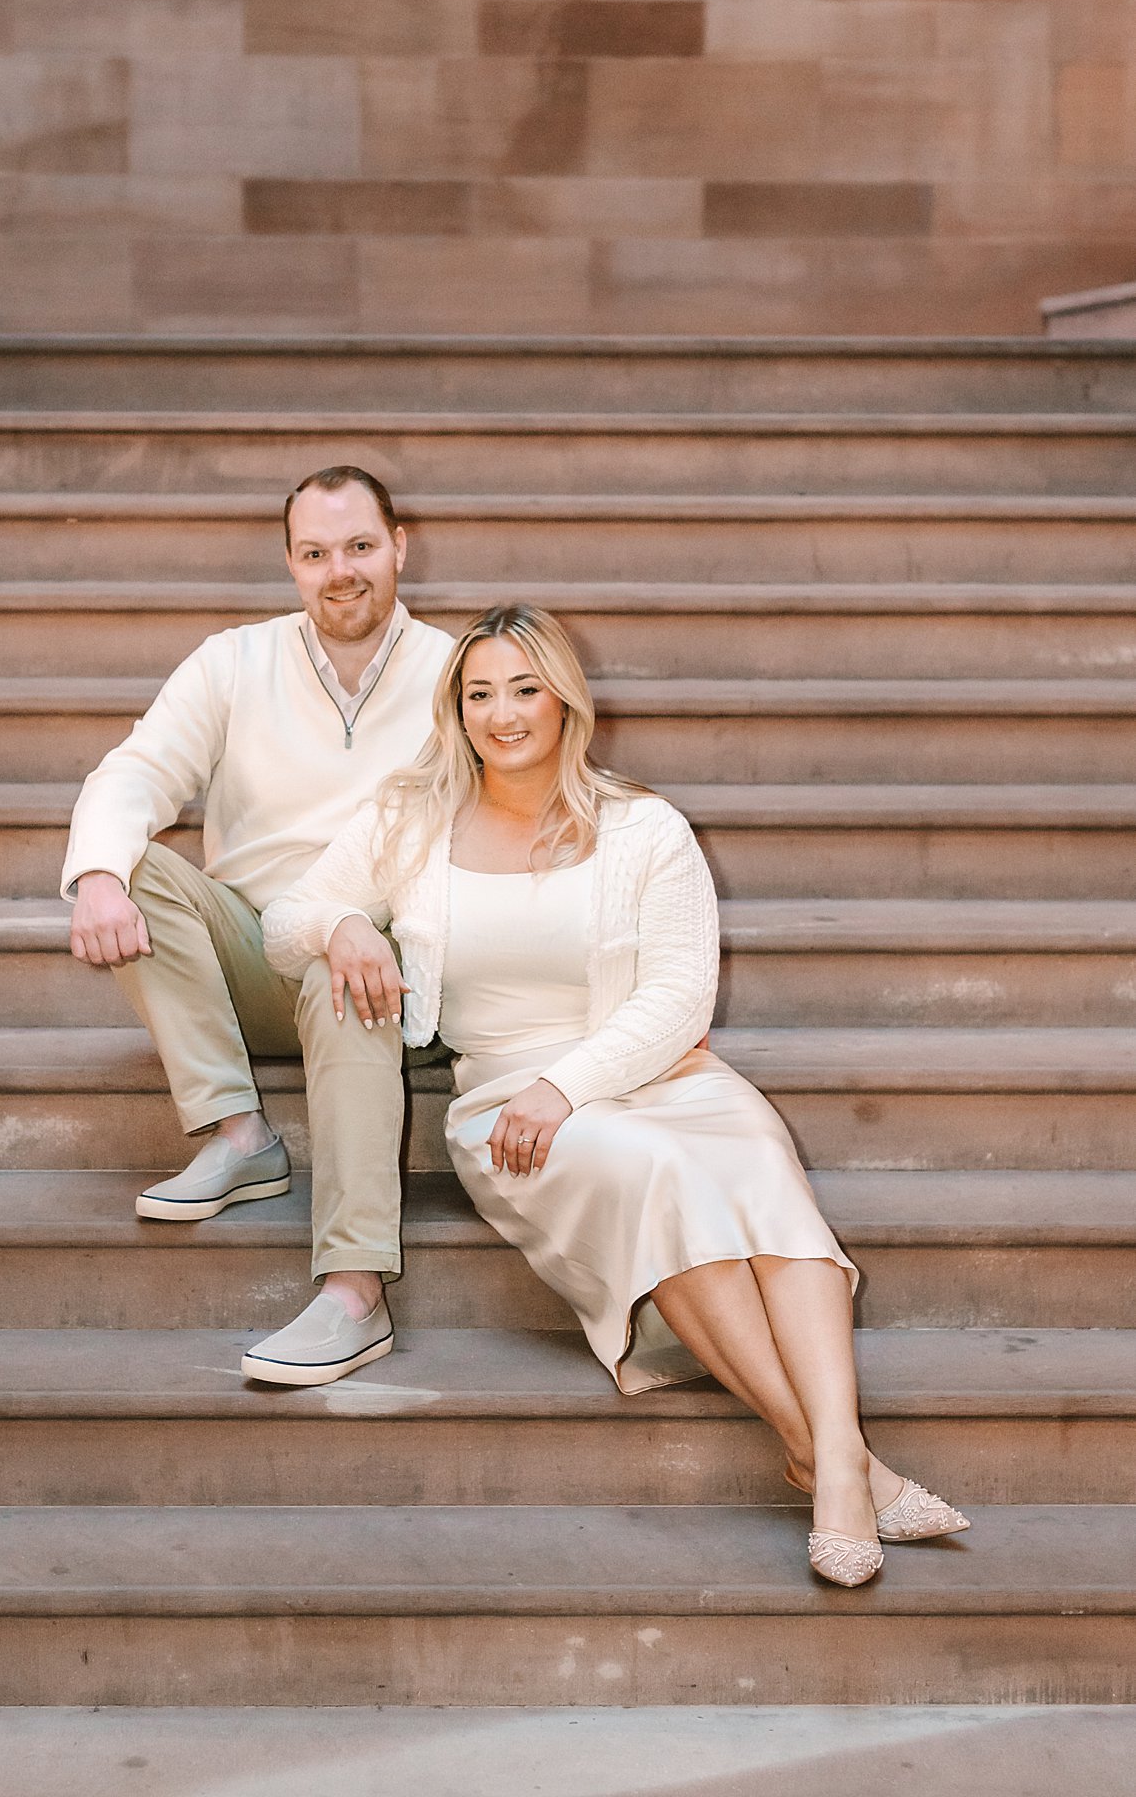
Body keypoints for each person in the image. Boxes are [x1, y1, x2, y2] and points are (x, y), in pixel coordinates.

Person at [263, 603, 970, 1585]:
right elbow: (287, 914)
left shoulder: (644, 826)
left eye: (524, 687)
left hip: (654, 1071)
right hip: (506, 1102)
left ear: (564, 697)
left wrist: (572, 1080)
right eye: (479, 692)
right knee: (657, 1173)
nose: (502, 713)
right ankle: (834, 1455)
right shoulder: (413, 814)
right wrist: (343, 924)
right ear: (455, 708)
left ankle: (829, 1457)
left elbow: (680, 994)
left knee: (760, 1167)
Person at [62, 466, 453, 1386]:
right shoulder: (233, 661)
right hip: (251, 952)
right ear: (290, 563)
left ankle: (355, 1293)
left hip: (380, 968)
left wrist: (355, 924)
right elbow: (135, 772)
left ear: (402, 547)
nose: (339, 571)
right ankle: (239, 1134)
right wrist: (99, 878)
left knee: (343, 964)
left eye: (360, 546)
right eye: (315, 553)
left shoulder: (452, 672)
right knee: (138, 864)